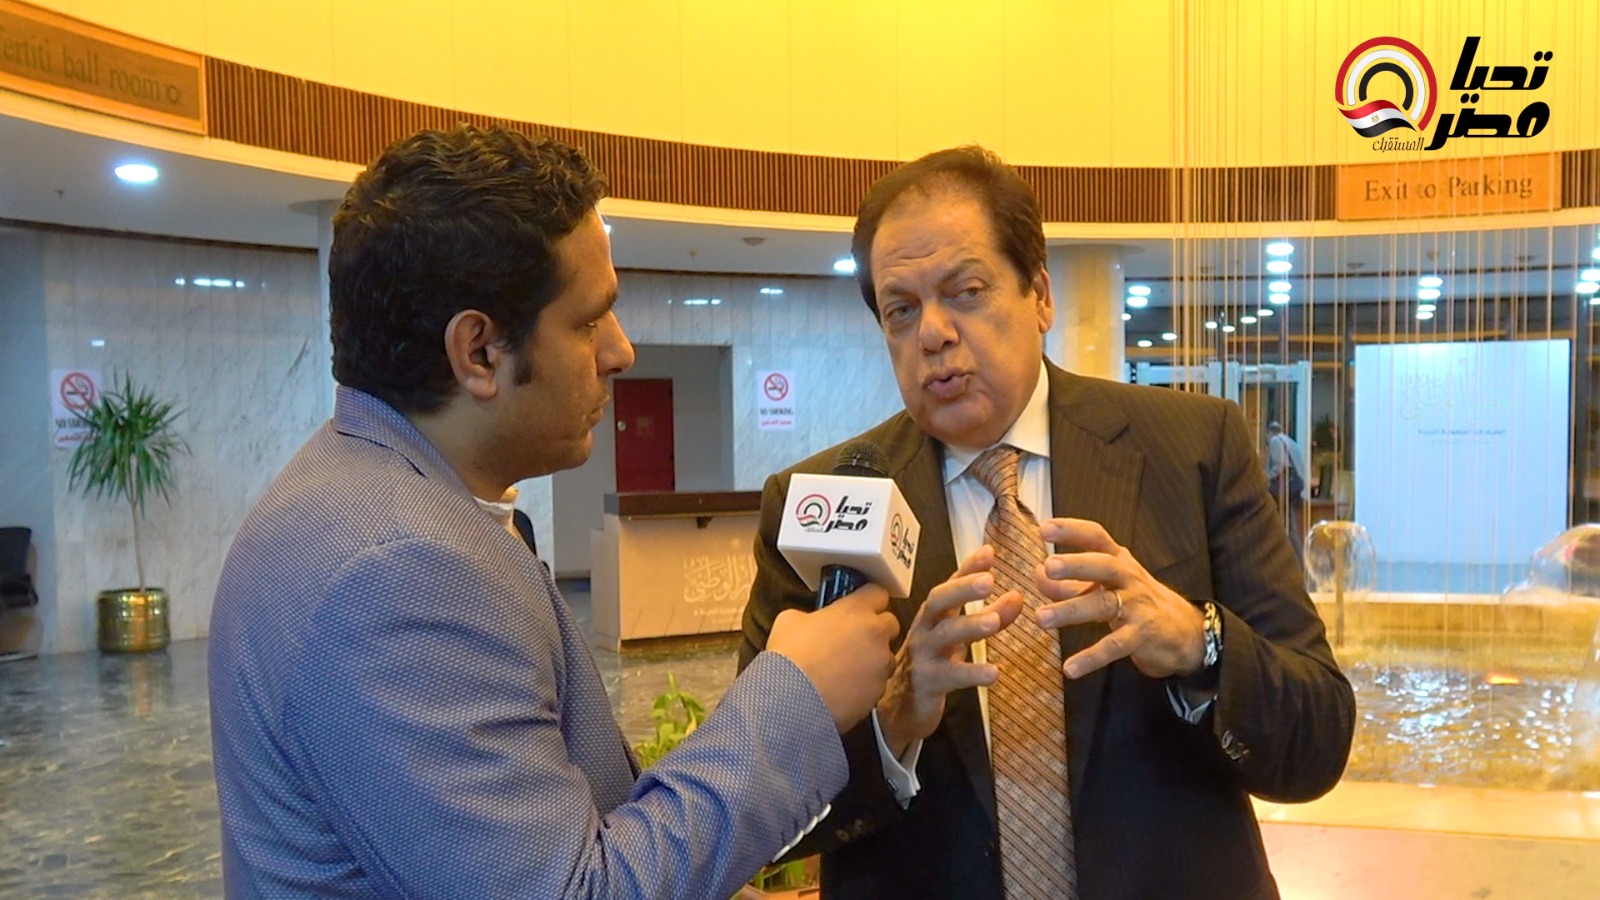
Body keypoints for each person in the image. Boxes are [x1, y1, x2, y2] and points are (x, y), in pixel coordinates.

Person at [208, 126, 899, 899]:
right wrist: (797, 698)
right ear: (478, 352)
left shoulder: (363, 490)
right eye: (589, 321)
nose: (621, 352)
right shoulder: (399, 569)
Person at [739, 146, 1355, 899]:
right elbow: (759, 813)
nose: (933, 333)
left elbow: (1319, 739)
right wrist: (892, 721)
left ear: (1039, 295)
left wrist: (1200, 643)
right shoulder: (818, 501)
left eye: (965, 291)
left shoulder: (1194, 447)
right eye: (902, 310)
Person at [1265, 420, 1309, 547]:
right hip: (1295, 487)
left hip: (1285, 489)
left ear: (1269, 433)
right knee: (1290, 526)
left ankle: (1297, 556)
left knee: (1288, 527)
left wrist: (1266, 477)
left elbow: (1280, 465)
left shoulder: (1275, 441)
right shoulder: (1290, 441)